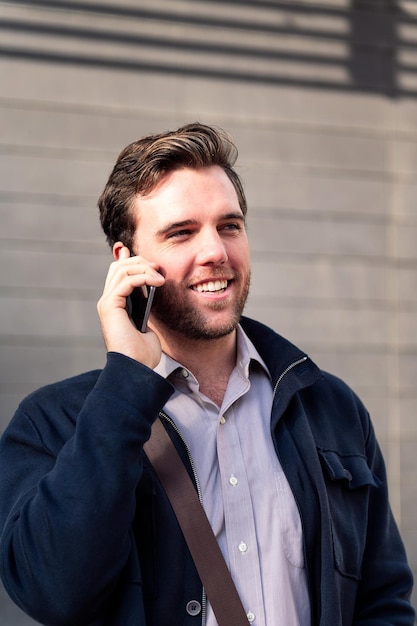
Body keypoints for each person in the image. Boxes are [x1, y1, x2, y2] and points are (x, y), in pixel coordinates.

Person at [0, 122, 414, 626]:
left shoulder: (330, 408)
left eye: (229, 226)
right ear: (126, 262)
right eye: (181, 232)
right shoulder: (52, 423)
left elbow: (384, 600)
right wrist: (126, 384)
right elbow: (50, 591)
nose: (215, 251)